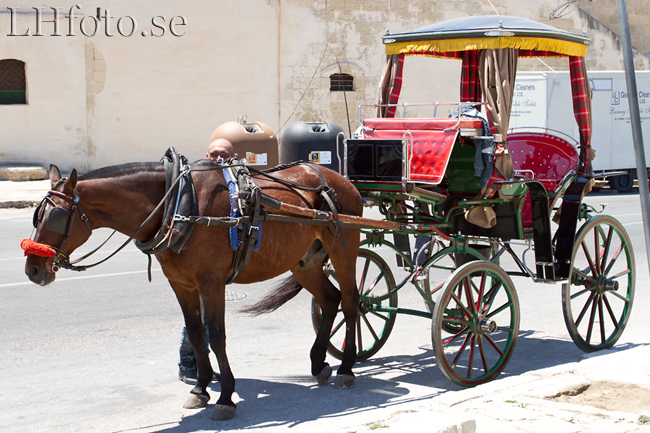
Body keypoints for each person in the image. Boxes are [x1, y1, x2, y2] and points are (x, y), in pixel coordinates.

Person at [177, 138, 234, 385]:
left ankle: (203, 364)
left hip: (217, 260)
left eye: (224, 155)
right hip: (196, 261)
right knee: (197, 314)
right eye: (214, 154)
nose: (218, 159)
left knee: (206, 315)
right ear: (207, 155)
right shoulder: (194, 182)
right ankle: (188, 364)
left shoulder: (232, 182)